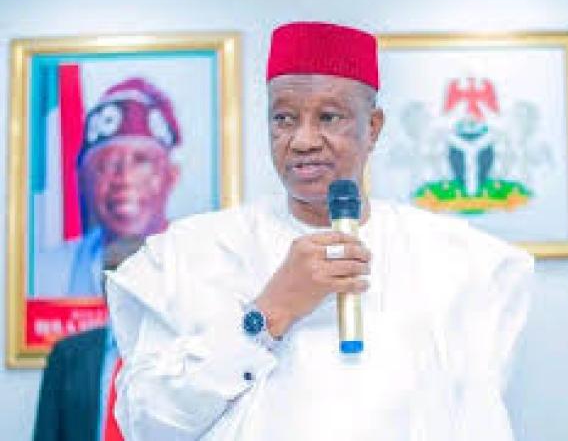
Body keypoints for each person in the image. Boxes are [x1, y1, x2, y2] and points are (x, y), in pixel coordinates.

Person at [107, 22, 534, 441]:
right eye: (284, 118)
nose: (303, 140)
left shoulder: (456, 260)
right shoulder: (193, 252)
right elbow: (147, 422)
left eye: (329, 117)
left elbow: (480, 421)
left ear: (373, 127)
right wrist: (269, 313)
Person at [35, 77, 181, 297]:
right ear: (82, 179)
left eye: (141, 160)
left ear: (171, 176)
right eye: (106, 164)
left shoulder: (206, 265)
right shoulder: (42, 275)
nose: (124, 178)